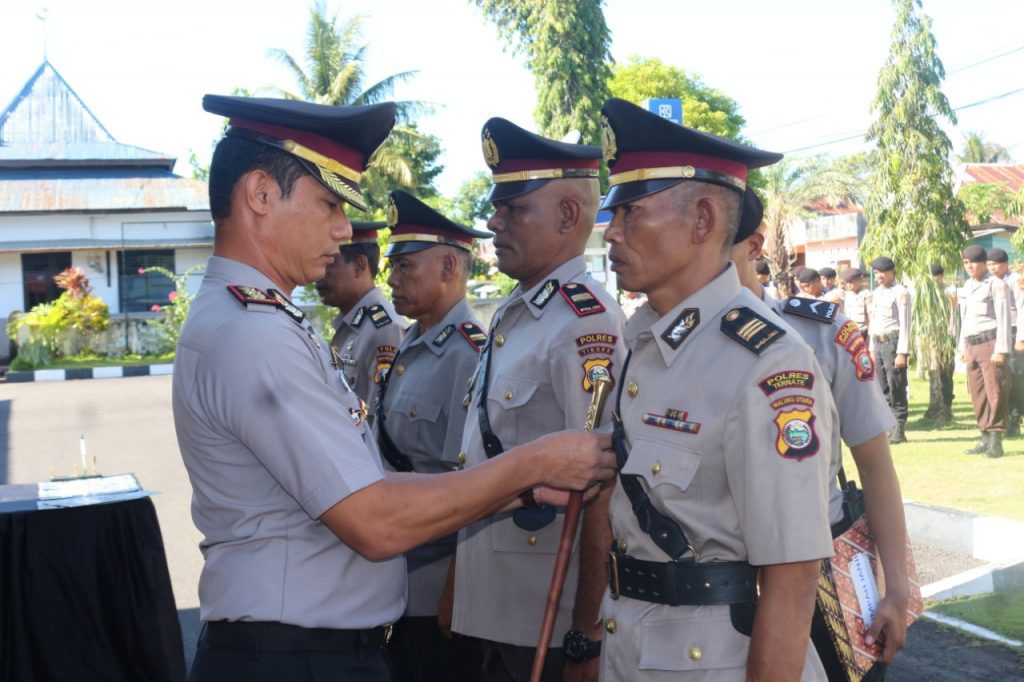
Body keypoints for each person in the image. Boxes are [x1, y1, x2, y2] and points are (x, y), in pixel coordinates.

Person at [174, 95, 616, 682]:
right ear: (259, 195)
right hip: (293, 657)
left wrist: (526, 489)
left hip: (304, 650)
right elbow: (376, 521)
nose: (343, 229)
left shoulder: (262, 321)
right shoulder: (252, 333)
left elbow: (372, 482)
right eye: (329, 203)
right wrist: (534, 462)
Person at [588, 97, 836, 681]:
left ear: (701, 219)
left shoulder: (769, 363)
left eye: (629, 214)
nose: (611, 233)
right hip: (635, 649)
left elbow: (794, 577)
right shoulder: (644, 342)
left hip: (717, 662)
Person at [447, 116, 627, 682]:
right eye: (497, 207)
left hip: (545, 619)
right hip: (495, 607)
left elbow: (601, 488)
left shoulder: (584, 321)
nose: (493, 222)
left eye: (514, 209)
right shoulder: (513, 310)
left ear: (569, 216)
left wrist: (587, 634)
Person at [732, 190, 909, 680]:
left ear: (752, 245)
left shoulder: (820, 332)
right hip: (719, 591)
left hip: (823, 575)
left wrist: (896, 588)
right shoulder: (664, 344)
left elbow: (875, 465)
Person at [372, 189, 491, 681]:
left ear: (448, 268)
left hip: (434, 587)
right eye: (392, 268)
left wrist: (455, 591)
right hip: (393, 576)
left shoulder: (469, 354)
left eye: (405, 266)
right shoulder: (413, 341)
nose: (392, 279)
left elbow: (471, 489)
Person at [315, 220, 404, 413]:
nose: (319, 275)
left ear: (359, 265)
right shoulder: (351, 324)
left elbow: (378, 422)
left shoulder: (384, 329)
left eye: (329, 264)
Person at [959, 245, 1012, 458]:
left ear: (983, 263)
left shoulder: (997, 284)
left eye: (973, 261)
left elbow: (1004, 319)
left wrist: (1001, 350)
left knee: (996, 391)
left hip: (990, 343)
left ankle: (996, 440)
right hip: (971, 345)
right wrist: (962, 346)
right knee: (977, 393)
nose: (969, 265)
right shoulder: (967, 286)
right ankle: (984, 436)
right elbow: (964, 318)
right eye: (965, 262)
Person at [868, 256, 911, 445]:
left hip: (893, 342)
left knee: (897, 386)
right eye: (876, 273)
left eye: (882, 273)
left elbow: (905, 324)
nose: (878, 276)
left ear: (892, 271)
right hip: (877, 342)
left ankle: (899, 428)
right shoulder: (875, 293)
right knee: (882, 387)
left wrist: (903, 352)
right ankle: (888, 427)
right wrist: (870, 348)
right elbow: (873, 323)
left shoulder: (900, 292)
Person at [985, 248, 1024, 437]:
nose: (992, 268)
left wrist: (1021, 338)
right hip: (997, 332)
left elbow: (1023, 308)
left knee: (1017, 378)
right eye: (989, 264)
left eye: (996, 264)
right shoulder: (988, 281)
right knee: (1001, 378)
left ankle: (1015, 421)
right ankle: (1002, 420)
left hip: (1015, 331)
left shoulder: (1015, 280)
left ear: (1005, 264)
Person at [923, 263, 956, 424]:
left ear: (941, 276)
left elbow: (954, 314)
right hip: (931, 338)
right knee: (934, 372)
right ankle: (935, 406)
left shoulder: (948, 291)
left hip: (946, 338)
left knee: (946, 373)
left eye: (936, 276)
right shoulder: (925, 292)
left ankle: (947, 407)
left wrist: (950, 335)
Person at [841, 267, 871, 335]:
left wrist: (870, 336)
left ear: (859, 280)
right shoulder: (847, 295)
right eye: (846, 282)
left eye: (850, 282)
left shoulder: (867, 295)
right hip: (850, 332)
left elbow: (871, 317)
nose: (848, 285)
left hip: (863, 332)